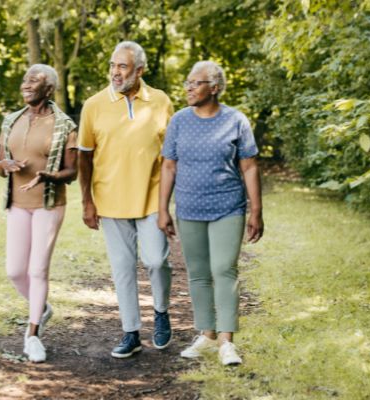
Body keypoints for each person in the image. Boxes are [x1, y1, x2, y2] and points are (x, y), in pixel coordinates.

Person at [158, 60, 263, 366]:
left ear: (214, 88)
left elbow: (249, 166)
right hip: (189, 208)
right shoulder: (179, 121)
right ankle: (207, 335)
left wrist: (256, 210)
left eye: (196, 83)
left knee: (224, 270)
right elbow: (169, 165)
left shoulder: (236, 120)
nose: (188, 88)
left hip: (228, 207)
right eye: (187, 83)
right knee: (199, 274)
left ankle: (227, 342)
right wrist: (162, 208)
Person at [78, 41, 174, 358]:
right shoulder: (94, 105)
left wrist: (168, 204)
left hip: (151, 199)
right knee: (122, 268)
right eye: (112, 65)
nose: (115, 72)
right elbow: (85, 157)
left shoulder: (160, 102)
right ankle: (130, 332)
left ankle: (161, 312)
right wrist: (87, 202)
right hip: (110, 201)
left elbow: (172, 156)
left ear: (139, 70)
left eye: (122, 66)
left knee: (156, 261)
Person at [0, 64, 78, 363]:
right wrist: (4, 166)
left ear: (49, 88)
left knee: (37, 270)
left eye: (35, 80)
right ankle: (41, 307)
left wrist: (49, 176)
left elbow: (72, 172)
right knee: (15, 271)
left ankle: (32, 335)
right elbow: (0, 162)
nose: (27, 84)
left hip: (49, 204)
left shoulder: (64, 125)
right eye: (25, 79)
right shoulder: (11, 121)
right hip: (18, 204)